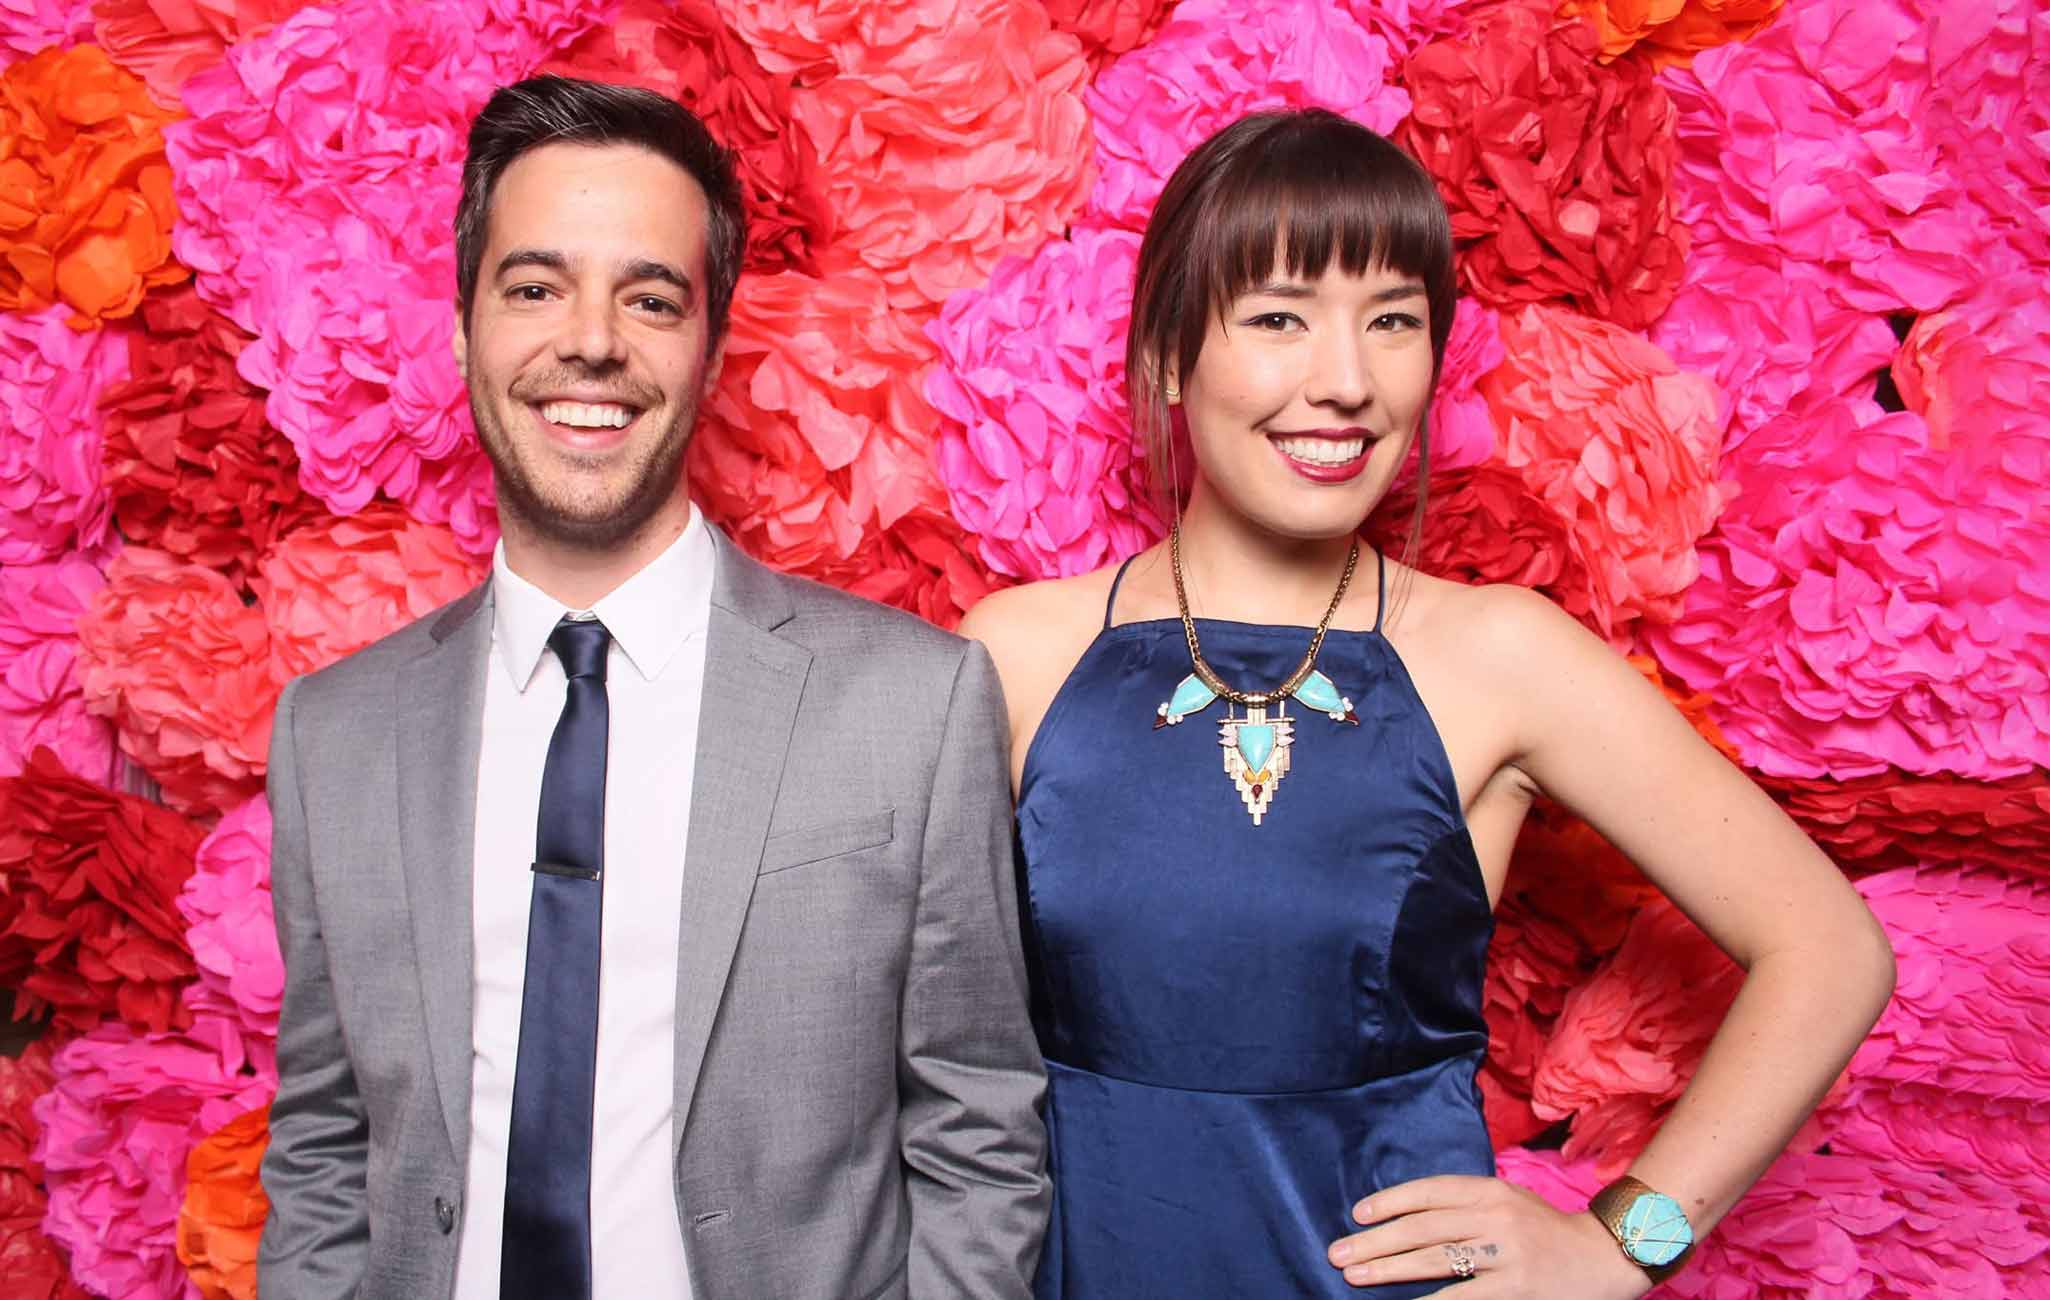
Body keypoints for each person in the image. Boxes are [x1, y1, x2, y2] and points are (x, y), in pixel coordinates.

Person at [960, 109, 1896, 1299]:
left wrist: (1620, 1249)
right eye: (1280, 318)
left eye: (1392, 322)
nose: (1346, 383)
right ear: (1166, 358)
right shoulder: (1017, 651)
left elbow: (1830, 948)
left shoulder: (1499, 654)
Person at [257, 75, 1048, 1300]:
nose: (590, 340)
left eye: (650, 297)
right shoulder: (334, 735)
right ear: (464, 327)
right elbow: (321, 1138)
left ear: (712, 347)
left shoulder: (913, 705)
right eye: (534, 287)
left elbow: (978, 1125)